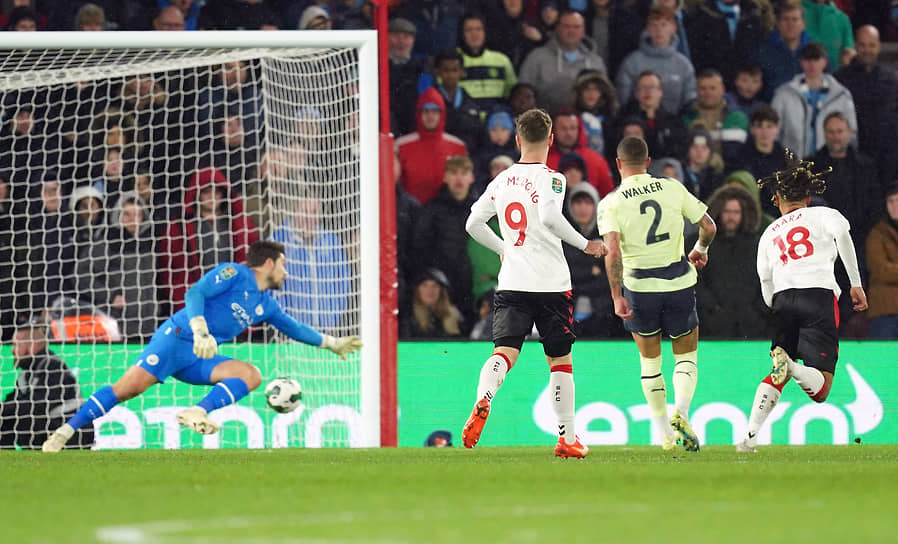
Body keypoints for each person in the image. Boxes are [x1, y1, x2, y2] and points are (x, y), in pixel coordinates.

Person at [42, 240, 363, 452]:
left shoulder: (266, 304)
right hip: (178, 338)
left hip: (200, 356)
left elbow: (294, 328)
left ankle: (197, 411)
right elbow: (195, 293)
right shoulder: (234, 273)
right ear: (267, 263)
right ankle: (65, 432)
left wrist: (332, 343)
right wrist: (199, 329)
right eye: (282, 263)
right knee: (127, 389)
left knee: (250, 374)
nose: (286, 271)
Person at [462, 108, 607, 458]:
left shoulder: (501, 180)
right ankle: (566, 437)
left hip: (512, 281)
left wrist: (504, 249)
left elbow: (473, 224)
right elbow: (548, 217)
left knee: (504, 351)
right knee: (560, 360)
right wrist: (586, 244)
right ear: (551, 140)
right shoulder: (552, 178)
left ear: (517, 140)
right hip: (551, 283)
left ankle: (484, 398)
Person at [736, 154, 867, 453]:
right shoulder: (824, 215)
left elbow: (764, 282)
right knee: (821, 389)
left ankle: (749, 438)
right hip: (817, 295)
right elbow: (843, 236)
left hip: (783, 299)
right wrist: (855, 284)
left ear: (778, 199)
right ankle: (794, 367)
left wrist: (777, 304)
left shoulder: (769, 232)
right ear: (808, 197)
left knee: (775, 373)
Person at [599, 136, 717, 452]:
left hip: (640, 289)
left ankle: (664, 434)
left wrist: (616, 295)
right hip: (679, 282)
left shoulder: (611, 202)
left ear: (618, 164)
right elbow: (708, 226)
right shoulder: (672, 187)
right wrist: (699, 250)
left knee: (650, 362)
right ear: (648, 162)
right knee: (686, 356)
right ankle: (682, 412)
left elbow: (611, 250)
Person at [1, 317, 94, 450]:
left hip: (73, 432)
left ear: (32, 345)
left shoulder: (54, 366)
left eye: (17, 345)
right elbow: (13, 401)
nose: (12, 350)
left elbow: (39, 404)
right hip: (50, 427)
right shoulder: (26, 373)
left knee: (18, 415)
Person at [865, 183, 898, 338]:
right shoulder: (877, 234)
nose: (894, 206)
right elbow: (881, 271)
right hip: (885, 311)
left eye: (897, 201)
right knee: (883, 359)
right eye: (890, 202)